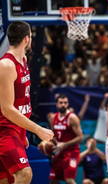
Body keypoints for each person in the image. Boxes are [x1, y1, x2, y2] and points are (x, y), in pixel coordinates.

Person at [0, 21, 54, 184]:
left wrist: (23, 132)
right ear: (26, 39)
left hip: (17, 130)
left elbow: (21, 101)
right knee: (24, 174)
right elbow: (7, 109)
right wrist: (37, 129)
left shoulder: (23, 59)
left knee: (5, 180)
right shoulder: (6, 65)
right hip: (4, 130)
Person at [48, 94, 83, 184]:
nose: (63, 104)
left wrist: (65, 144)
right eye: (61, 103)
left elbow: (80, 137)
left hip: (72, 152)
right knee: (53, 180)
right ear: (56, 104)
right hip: (58, 152)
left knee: (69, 180)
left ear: (68, 104)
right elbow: (53, 135)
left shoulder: (72, 118)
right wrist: (49, 144)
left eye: (65, 103)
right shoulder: (53, 117)